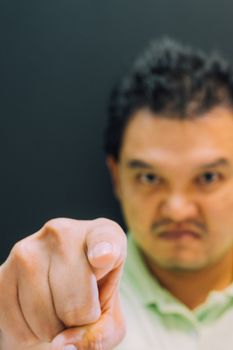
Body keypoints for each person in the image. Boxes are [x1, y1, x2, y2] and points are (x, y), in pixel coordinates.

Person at [1, 38, 233, 350]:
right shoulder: (66, 313)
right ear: (117, 177)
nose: (177, 210)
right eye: (150, 177)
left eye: (207, 177)